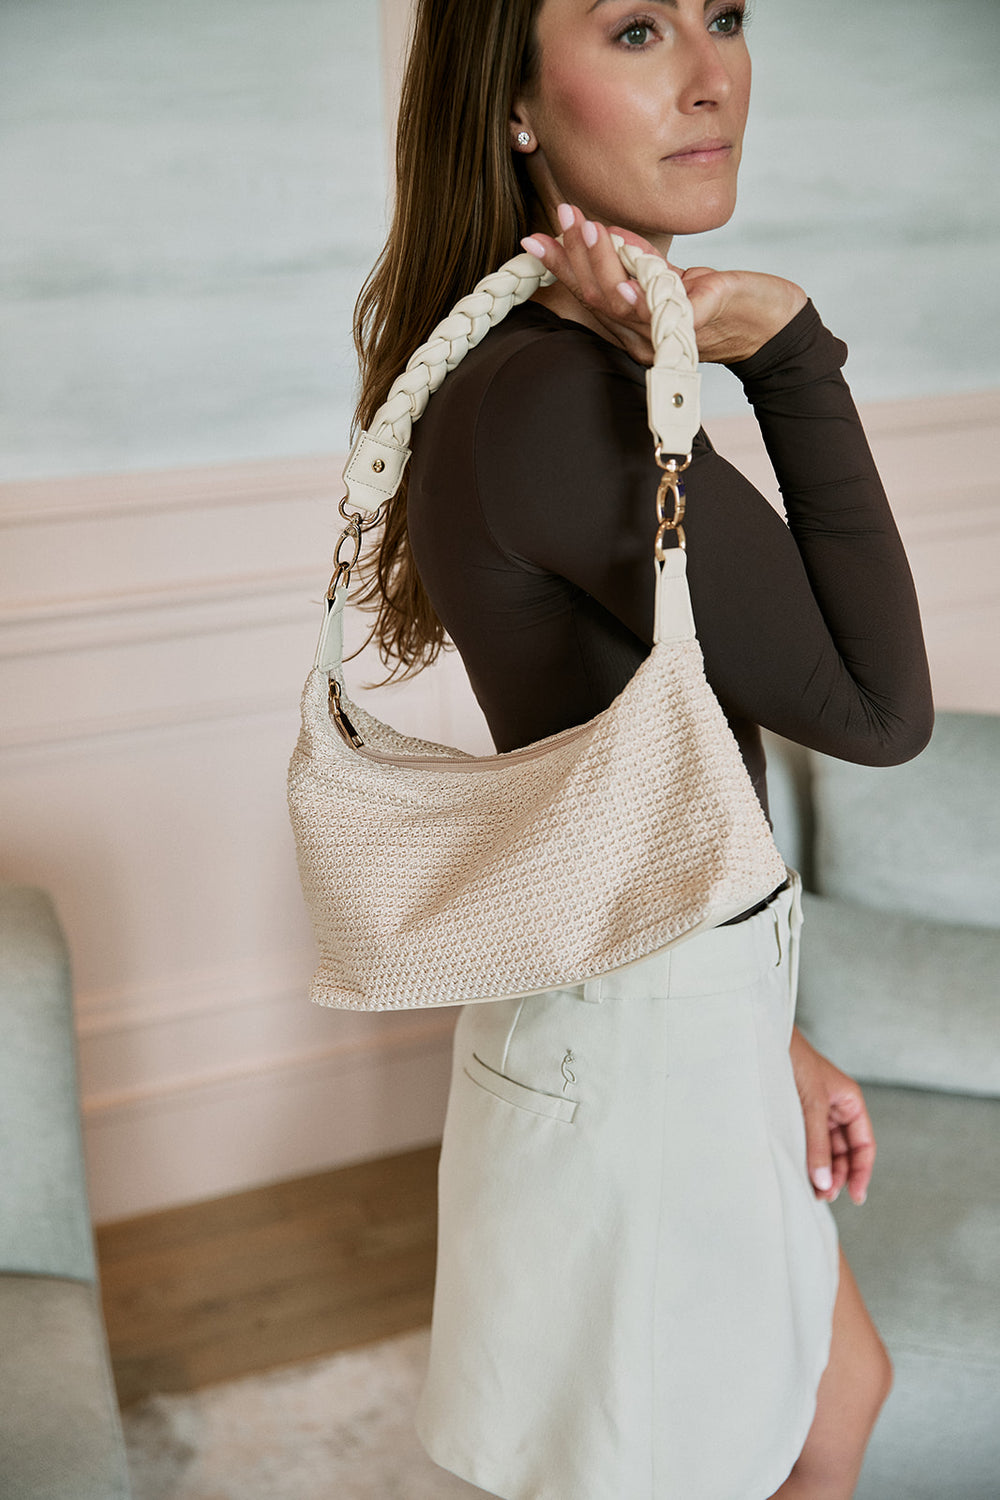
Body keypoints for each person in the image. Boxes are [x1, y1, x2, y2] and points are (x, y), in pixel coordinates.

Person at [350, 2, 934, 1496]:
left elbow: (639, 767)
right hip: (642, 1049)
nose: (709, 70)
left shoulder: (565, 370)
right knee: (695, 1457)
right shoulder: (559, 397)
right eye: (632, 27)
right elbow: (880, 711)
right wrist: (790, 352)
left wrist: (770, 1030)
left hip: (662, 987)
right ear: (520, 107)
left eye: (725, 14)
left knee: (835, 1389)